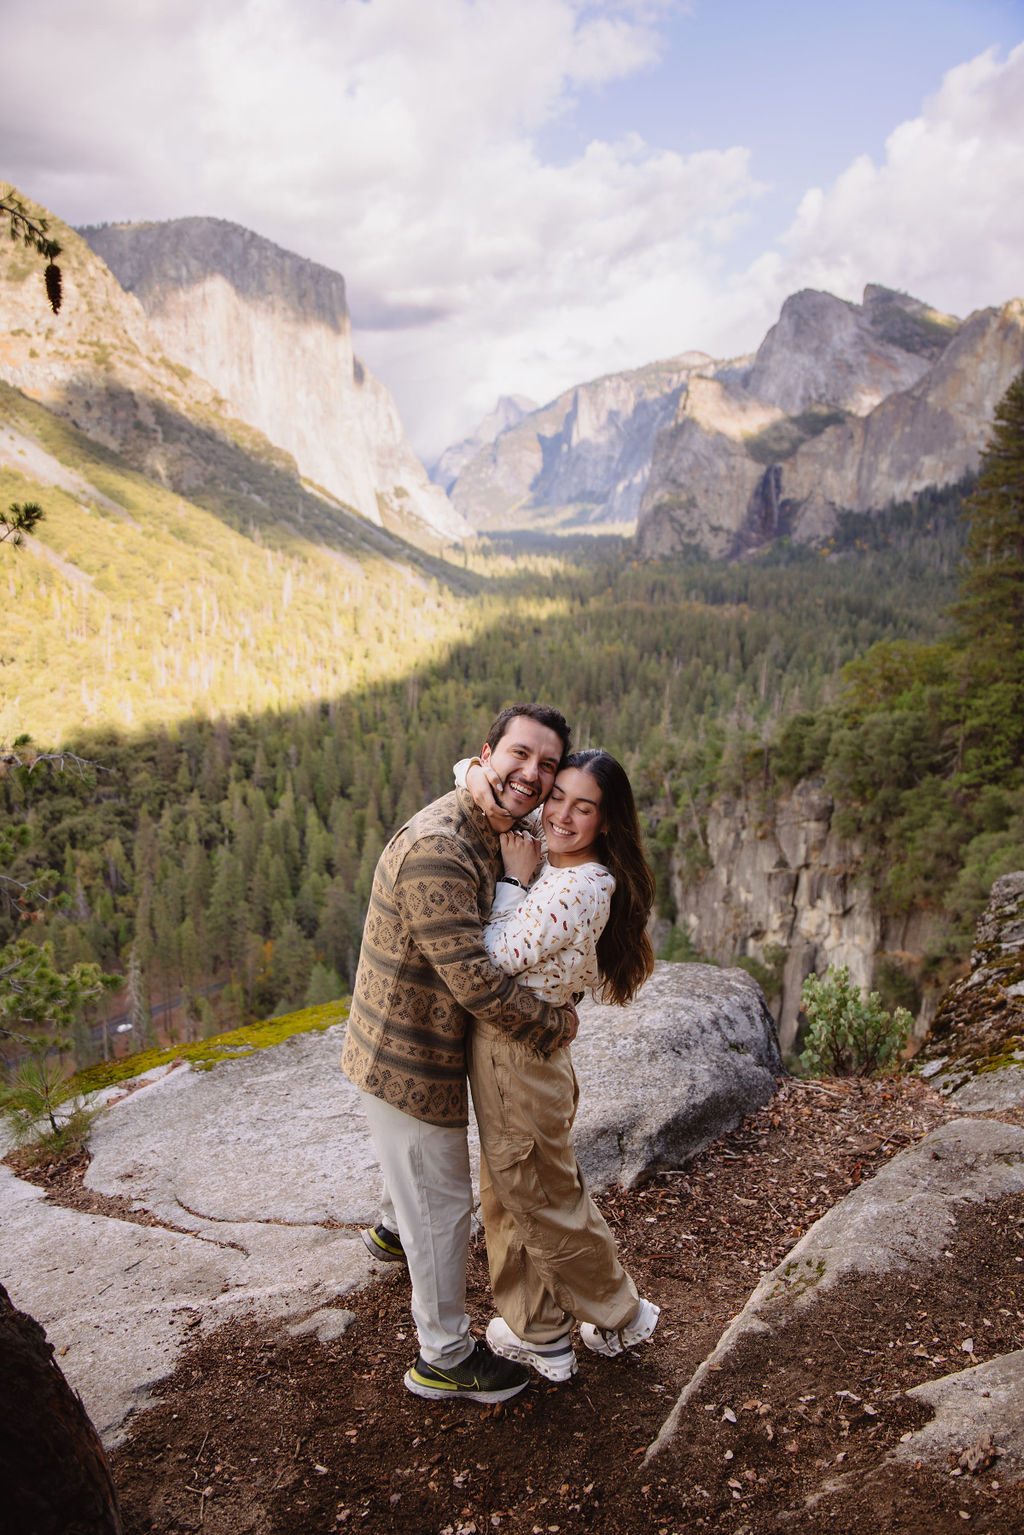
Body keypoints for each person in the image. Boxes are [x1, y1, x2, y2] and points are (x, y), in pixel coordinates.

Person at [341, 703, 577, 1405]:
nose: (531, 775)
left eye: (548, 765)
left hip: (424, 1038)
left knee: (415, 1187)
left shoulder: (499, 821)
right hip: (409, 1058)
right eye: (520, 755)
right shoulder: (440, 848)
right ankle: (442, 1357)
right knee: (445, 1207)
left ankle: (392, 1227)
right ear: (486, 753)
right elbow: (477, 983)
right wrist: (553, 1022)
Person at [464, 748, 660, 1384]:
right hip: (522, 1049)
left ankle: (622, 1316)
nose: (562, 816)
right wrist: (477, 774)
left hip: (520, 1054)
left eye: (584, 807)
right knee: (509, 1193)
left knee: (541, 1198)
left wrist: (514, 884)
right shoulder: (561, 861)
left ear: (606, 822)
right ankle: (540, 1330)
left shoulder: (577, 884)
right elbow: (470, 767)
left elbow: (495, 957)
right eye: (557, 798)